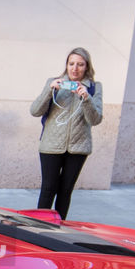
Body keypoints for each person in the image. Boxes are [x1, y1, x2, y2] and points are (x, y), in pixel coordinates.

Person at [30, 46, 103, 219]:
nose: (75, 69)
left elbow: (95, 119)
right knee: (48, 189)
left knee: (65, 191)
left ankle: (58, 228)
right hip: (51, 146)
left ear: (87, 67)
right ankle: (39, 227)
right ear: (66, 65)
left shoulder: (94, 87)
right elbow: (35, 111)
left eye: (80, 64)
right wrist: (50, 90)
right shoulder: (53, 82)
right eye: (71, 64)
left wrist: (86, 98)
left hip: (78, 147)